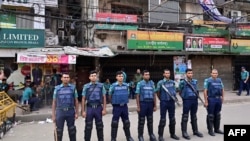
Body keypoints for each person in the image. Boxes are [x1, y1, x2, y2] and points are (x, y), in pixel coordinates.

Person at [52, 72, 79, 141]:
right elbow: (54, 102)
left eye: (67, 77)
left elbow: (76, 101)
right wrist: (53, 115)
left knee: (72, 130)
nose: (66, 79)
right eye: (64, 77)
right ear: (61, 79)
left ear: (69, 79)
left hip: (70, 111)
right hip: (60, 111)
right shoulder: (57, 89)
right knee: (59, 131)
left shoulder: (73, 88)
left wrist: (76, 112)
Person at [81, 70, 107, 141]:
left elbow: (104, 97)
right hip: (90, 108)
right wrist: (83, 111)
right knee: (88, 126)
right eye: (92, 76)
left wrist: (104, 109)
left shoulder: (101, 86)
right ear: (89, 77)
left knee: (100, 126)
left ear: (97, 77)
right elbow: (83, 99)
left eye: (95, 76)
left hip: (98, 108)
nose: (93, 77)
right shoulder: (86, 86)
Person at [109, 71, 134, 141]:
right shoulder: (113, 86)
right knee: (114, 123)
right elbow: (110, 95)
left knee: (126, 122)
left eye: (122, 76)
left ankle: (128, 137)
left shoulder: (126, 85)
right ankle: (113, 138)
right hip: (117, 107)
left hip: (124, 106)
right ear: (116, 77)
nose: (121, 77)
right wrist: (113, 103)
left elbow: (128, 94)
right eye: (119, 76)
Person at [178, 69, 203, 140]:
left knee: (194, 116)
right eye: (189, 73)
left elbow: (196, 90)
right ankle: (184, 132)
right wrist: (184, 98)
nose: (190, 74)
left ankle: (195, 131)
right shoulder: (182, 82)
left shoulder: (195, 81)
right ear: (186, 74)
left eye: (191, 73)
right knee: (185, 116)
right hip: (187, 101)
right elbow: (180, 91)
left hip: (194, 100)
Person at [156, 69, 180, 141]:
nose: (167, 74)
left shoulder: (172, 82)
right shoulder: (160, 83)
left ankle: (172, 134)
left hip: (171, 102)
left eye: (168, 73)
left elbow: (175, 91)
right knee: (163, 119)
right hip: (164, 102)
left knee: (172, 119)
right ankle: (160, 136)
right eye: (166, 73)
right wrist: (161, 99)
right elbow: (158, 92)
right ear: (163, 74)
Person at [136, 70, 157, 141]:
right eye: (146, 74)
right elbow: (137, 95)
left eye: (148, 74)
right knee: (141, 121)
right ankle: (140, 136)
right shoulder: (140, 84)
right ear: (143, 76)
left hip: (150, 104)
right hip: (143, 104)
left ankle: (151, 135)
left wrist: (155, 105)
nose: (147, 76)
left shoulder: (152, 83)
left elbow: (154, 94)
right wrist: (138, 106)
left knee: (150, 120)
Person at [203, 69, 224, 136]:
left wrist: (222, 98)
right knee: (210, 115)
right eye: (213, 73)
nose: (215, 74)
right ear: (211, 74)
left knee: (217, 114)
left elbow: (222, 89)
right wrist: (206, 101)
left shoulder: (219, 80)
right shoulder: (207, 80)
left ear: (217, 74)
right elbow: (205, 91)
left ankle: (217, 129)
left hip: (218, 99)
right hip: (211, 99)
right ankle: (210, 130)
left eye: (216, 73)